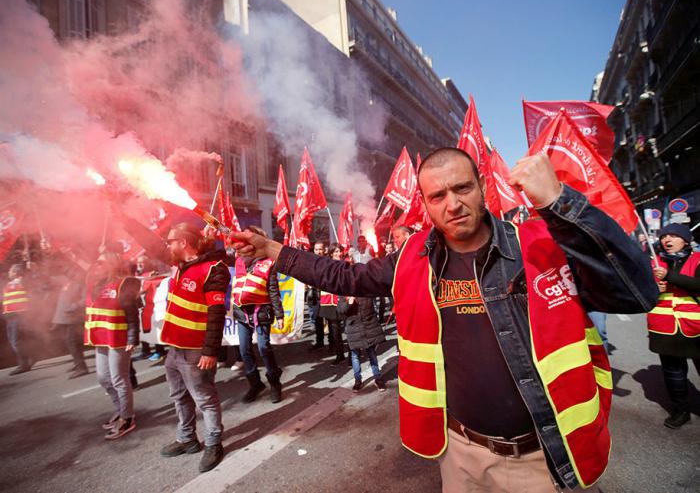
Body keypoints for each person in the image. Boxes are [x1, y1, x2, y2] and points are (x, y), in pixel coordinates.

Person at [231, 148, 658, 492]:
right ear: (425, 204)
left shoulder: (541, 245)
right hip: (461, 457)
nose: (452, 204)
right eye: (437, 196)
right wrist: (272, 250)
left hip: (541, 458)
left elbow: (637, 292)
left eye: (462, 188)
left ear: (483, 187)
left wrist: (559, 203)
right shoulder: (412, 259)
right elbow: (345, 276)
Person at [159, 223, 230, 473]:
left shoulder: (214, 269)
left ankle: (213, 443)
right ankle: (187, 439)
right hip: (175, 348)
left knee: (205, 399)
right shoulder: (181, 266)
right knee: (179, 396)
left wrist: (210, 351)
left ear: (183, 243)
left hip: (196, 350)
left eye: (170, 241)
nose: (167, 245)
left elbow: (216, 313)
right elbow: (149, 243)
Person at [647, 223, 700, 429]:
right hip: (663, 327)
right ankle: (681, 411)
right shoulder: (654, 262)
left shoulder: (697, 259)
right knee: (673, 373)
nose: (666, 240)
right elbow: (640, 294)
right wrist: (654, 288)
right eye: (663, 236)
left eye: (673, 236)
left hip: (695, 326)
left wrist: (669, 276)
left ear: (685, 240)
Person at [84, 252, 140, 439]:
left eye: (100, 262)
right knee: (103, 378)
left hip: (119, 339)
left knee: (119, 379)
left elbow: (132, 315)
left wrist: (132, 339)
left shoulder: (124, 284)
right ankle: (120, 409)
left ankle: (127, 418)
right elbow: (79, 270)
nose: (96, 265)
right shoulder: (95, 284)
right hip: (101, 338)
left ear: (112, 265)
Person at [232, 226, 285, 404]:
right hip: (241, 313)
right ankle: (255, 384)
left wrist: (279, 315)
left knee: (264, 348)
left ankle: (275, 383)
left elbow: (273, 289)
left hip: (260, 311)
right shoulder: (238, 259)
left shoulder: (269, 262)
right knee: (244, 350)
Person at [339, 295, 386, 392]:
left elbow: (372, 308)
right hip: (353, 329)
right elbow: (340, 310)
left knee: (372, 353)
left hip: (367, 327)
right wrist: (349, 303)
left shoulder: (365, 290)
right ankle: (357, 380)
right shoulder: (344, 292)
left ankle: (377, 378)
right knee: (355, 355)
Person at [51, 263, 89, 378]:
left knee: (72, 342)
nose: (68, 273)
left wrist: (74, 306)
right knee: (71, 343)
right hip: (65, 319)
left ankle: (81, 367)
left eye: (71, 271)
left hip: (74, 319)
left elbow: (85, 299)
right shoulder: (67, 283)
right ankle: (78, 363)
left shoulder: (81, 285)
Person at [2, 264, 33, 375]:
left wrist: (27, 263)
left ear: (16, 273)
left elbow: (25, 282)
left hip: (17, 316)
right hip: (10, 316)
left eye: (10, 270)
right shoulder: (10, 284)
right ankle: (28, 360)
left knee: (16, 341)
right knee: (14, 341)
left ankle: (24, 365)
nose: (9, 272)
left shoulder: (21, 281)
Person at [319, 243, 346, 365]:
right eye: (335, 252)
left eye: (339, 251)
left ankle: (353, 354)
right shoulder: (325, 266)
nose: (338, 254)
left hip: (342, 300)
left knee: (349, 329)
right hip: (328, 302)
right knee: (334, 331)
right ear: (330, 254)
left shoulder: (346, 264)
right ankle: (339, 354)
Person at [308, 241, 328, 350]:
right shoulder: (310, 262)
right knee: (317, 319)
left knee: (330, 319)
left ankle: (333, 343)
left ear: (324, 250)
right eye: (316, 249)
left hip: (326, 294)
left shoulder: (328, 262)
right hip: (315, 295)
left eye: (320, 249)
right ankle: (319, 341)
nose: (318, 251)